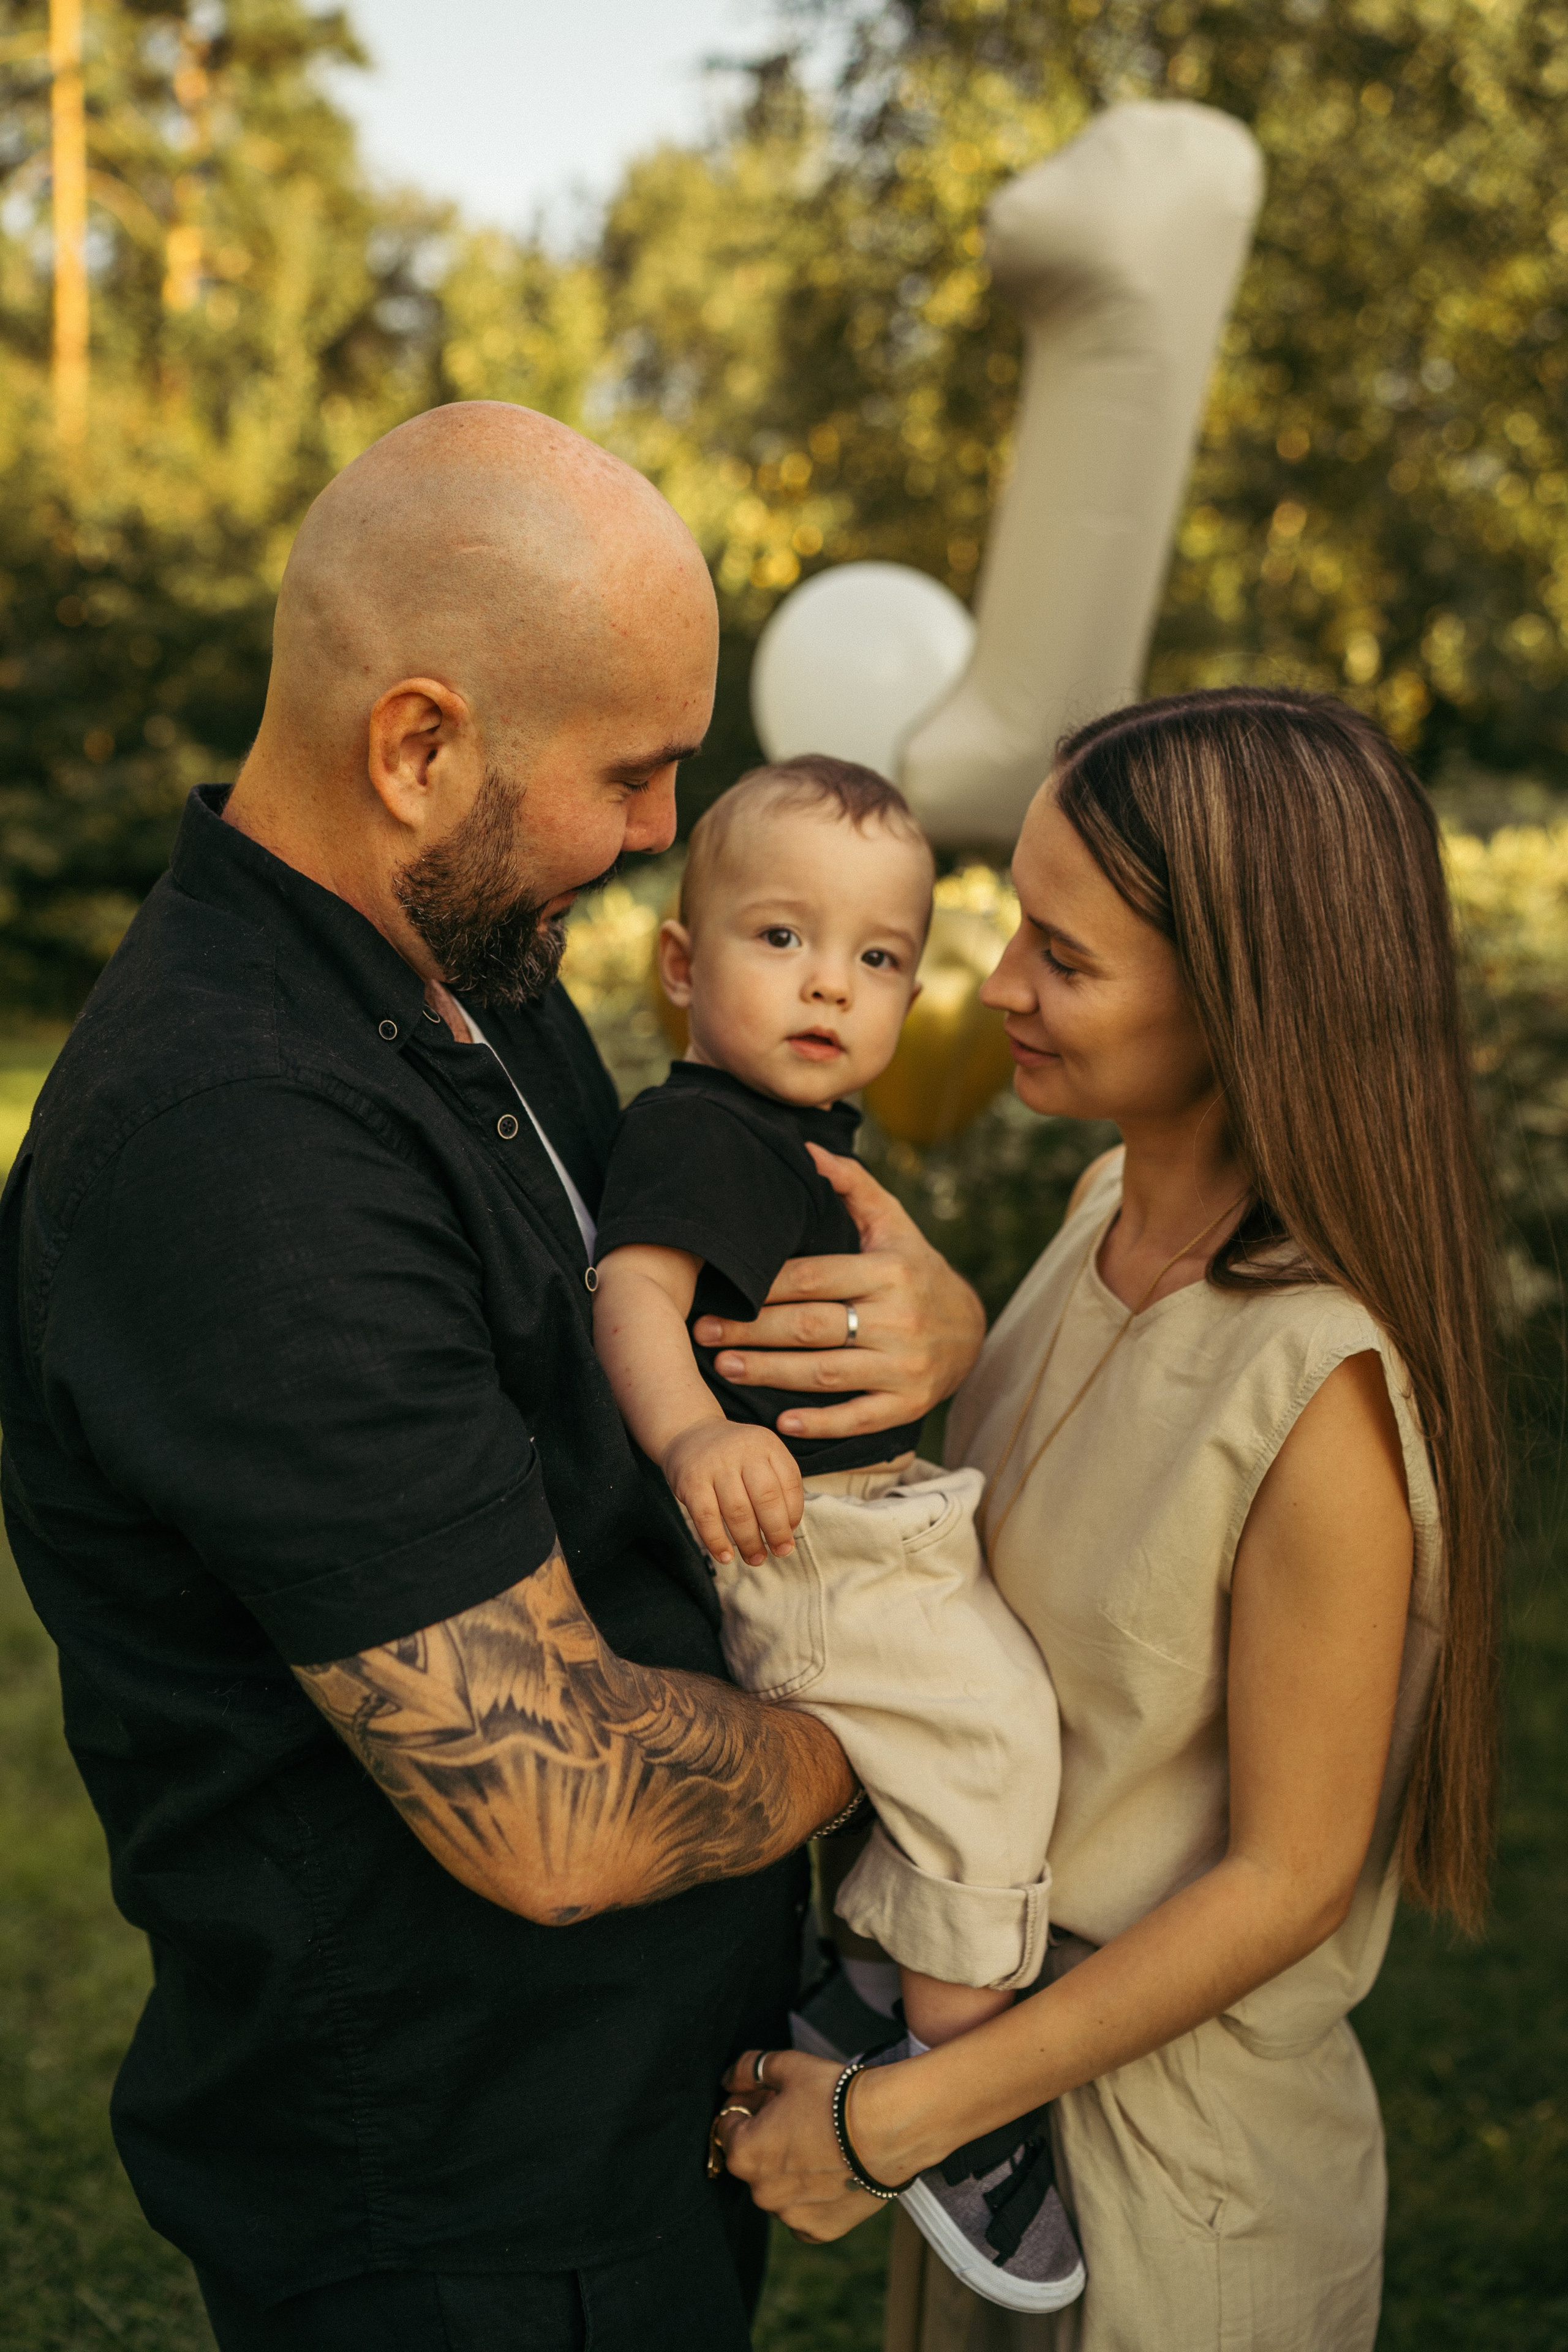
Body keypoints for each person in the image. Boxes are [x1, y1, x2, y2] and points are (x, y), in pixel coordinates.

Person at [0, 401, 986, 2352]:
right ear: (420, 745)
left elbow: (649, 1303)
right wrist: (915, 1737)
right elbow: (551, 1812)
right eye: (629, 775)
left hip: (617, 2118)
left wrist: (921, 1312)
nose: (654, 837)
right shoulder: (234, 1142)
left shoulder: (465, 969)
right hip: (457, 2208)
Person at [709, 687, 1502, 2352]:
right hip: (981, 2103)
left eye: (1060, 958)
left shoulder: (1322, 1389)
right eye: (1012, 925)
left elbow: (1287, 1880)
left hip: (1163, 2208)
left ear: (1239, 1001)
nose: (992, 984)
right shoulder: (1096, 1216)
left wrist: (893, 2123)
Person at [590, 752, 1083, 2315]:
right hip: (808, 1546)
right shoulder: (699, 1134)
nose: (829, 986)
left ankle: (867, 1985)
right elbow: (630, 1296)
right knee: (987, 1738)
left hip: (859, 1523)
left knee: (991, 1720)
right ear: (682, 966)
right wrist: (693, 1433)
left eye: (875, 958)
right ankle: (954, 2100)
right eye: (780, 939)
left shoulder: (782, 1131)